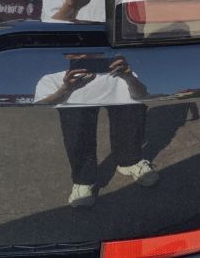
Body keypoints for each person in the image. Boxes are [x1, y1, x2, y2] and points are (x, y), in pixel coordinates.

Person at [34, 54, 159, 207]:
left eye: (92, 49)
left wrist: (129, 78)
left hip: (117, 81)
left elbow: (142, 95)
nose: (85, 55)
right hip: (74, 101)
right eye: (79, 51)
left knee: (133, 105)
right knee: (75, 116)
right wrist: (66, 89)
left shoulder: (117, 69)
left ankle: (130, 161)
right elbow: (41, 106)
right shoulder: (55, 76)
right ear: (68, 55)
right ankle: (84, 179)